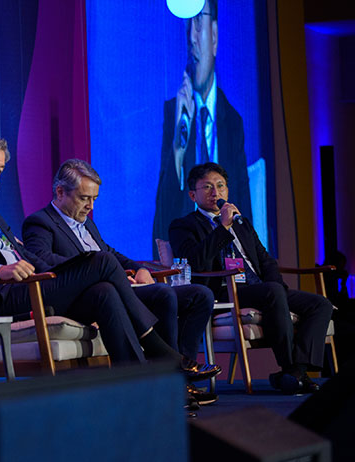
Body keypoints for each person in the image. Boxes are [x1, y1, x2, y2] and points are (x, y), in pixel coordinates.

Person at [0, 132, 218, 381]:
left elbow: (28, 256)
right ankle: (161, 352)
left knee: (103, 291)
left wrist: (78, 273)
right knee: (101, 261)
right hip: (0, 296)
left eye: (0, 168)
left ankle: (139, 385)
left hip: (31, 287)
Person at [23, 159, 218, 404]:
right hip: (84, 295)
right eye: (84, 198)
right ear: (60, 192)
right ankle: (171, 371)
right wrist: (97, 269)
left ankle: (179, 378)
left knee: (199, 295)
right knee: (162, 294)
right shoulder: (40, 222)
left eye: (94, 199)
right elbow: (42, 259)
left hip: (117, 286)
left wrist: (139, 268)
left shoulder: (86, 223)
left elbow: (110, 252)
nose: (90, 206)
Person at [169, 162, 334, 394]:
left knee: (320, 304)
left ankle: (297, 370)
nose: (215, 192)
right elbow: (195, 262)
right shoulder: (183, 226)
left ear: (227, 190)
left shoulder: (242, 223)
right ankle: (290, 368)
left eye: (220, 186)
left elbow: (265, 260)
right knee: (272, 292)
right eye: (207, 187)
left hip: (262, 289)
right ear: (192, 195)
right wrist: (223, 228)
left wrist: (277, 286)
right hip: (223, 291)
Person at [152, 0, 251, 248]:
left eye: (197, 23)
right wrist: (178, 147)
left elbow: (245, 214)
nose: (191, 39)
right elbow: (161, 224)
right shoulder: (172, 113)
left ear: (214, 35)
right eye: (186, 27)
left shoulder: (234, 121)